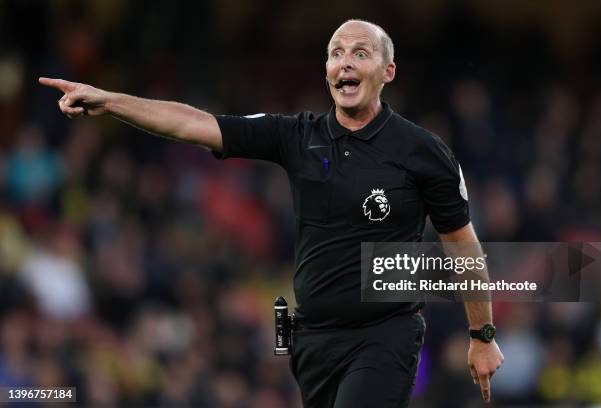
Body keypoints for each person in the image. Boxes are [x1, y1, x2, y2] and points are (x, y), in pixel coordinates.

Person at [40, 19, 504, 407]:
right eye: (336, 52)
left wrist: (481, 334)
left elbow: (462, 244)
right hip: (313, 343)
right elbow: (194, 124)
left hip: (385, 334)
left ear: (388, 71)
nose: (345, 61)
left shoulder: (422, 152)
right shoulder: (297, 136)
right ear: (327, 70)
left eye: (360, 53)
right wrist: (109, 100)